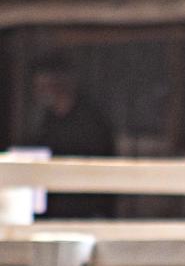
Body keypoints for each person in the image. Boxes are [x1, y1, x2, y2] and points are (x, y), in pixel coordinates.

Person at [24, 55, 116, 219]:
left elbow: (97, 168)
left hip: (84, 210)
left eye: (45, 86)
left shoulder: (90, 122)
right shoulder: (46, 121)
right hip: (51, 210)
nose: (39, 92)